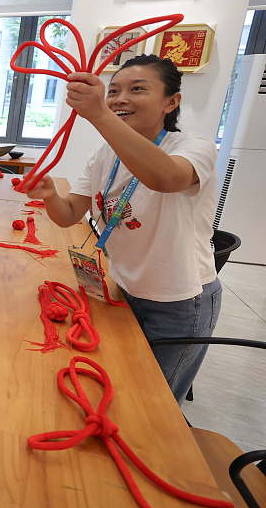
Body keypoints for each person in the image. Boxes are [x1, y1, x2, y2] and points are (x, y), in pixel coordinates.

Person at [27, 55, 219, 403]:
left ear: (171, 102)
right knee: (119, 390)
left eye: (138, 89)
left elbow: (165, 178)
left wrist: (99, 114)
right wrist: (50, 195)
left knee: (153, 404)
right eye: (113, 91)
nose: (120, 99)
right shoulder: (104, 153)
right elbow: (69, 214)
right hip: (122, 287)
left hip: (177, 301)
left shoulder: (194, 146)